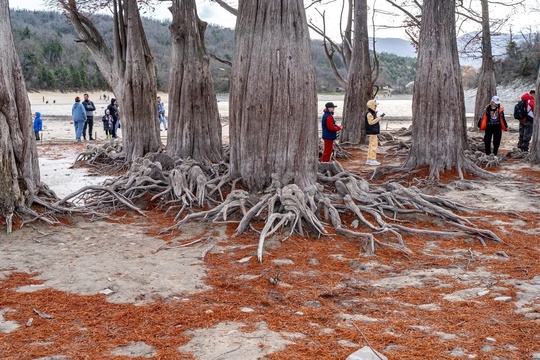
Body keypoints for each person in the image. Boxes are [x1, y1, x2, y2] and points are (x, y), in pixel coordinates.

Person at [365, 99, 384, 166]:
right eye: (375, 105)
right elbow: (371, 122)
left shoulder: (372, 113)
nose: (376, 107)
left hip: (372, 132)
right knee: (373, 146)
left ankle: (369, 159)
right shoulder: (369, 114)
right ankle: (372, 159)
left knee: (371, 146)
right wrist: (378, 118)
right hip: (372, 132)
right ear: (372, 106)